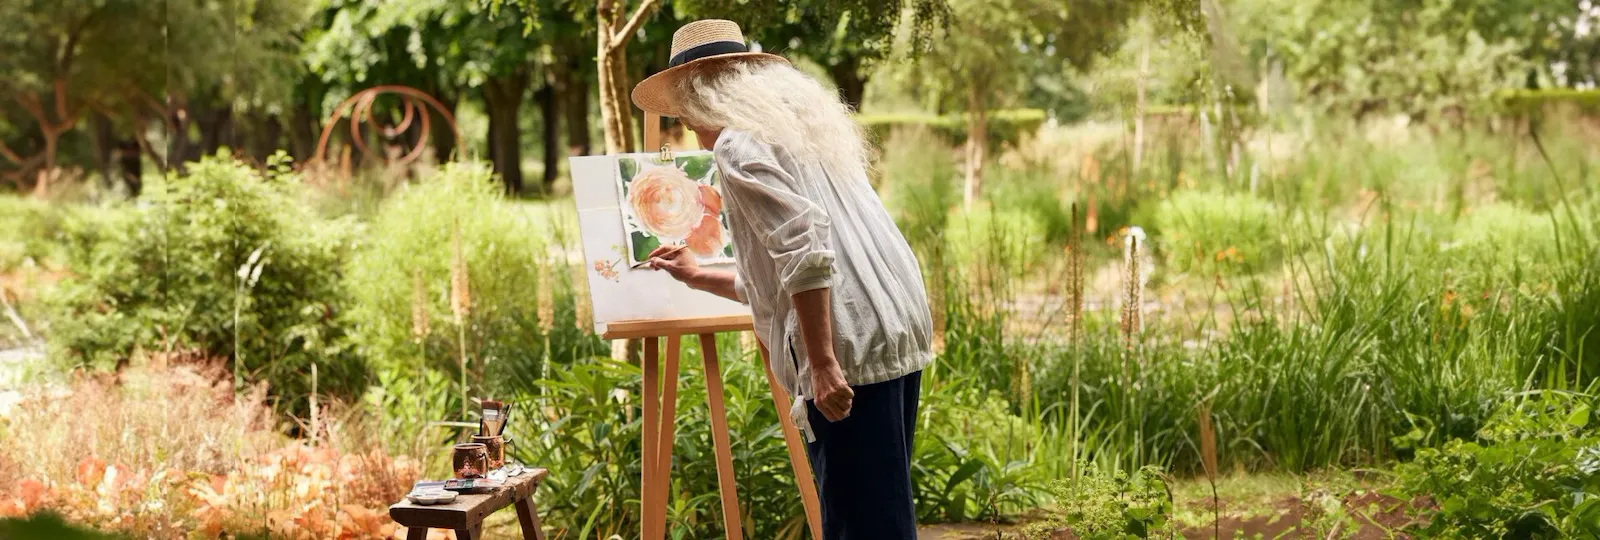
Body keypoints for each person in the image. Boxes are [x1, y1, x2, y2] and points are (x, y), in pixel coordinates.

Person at [631, 19, 934, 540]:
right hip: (892, 329)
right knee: (884, 512)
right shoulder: (797, 137)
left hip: (849, 348)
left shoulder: (736, 147)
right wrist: (699, 275)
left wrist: (821, 364)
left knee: (860, 524)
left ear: (701, 98)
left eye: (683, 112)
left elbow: (804, 252)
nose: (686, 129)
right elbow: (782, 278)